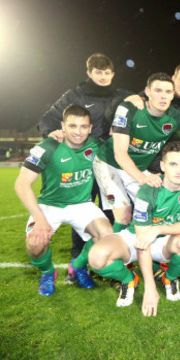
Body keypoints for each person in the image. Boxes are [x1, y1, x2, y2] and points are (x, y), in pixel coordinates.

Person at [37, 53, 131, 277]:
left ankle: (107, 259)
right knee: (81, 212)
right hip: (83, 163)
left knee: (112, 213)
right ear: (89, 73)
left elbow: (144, 105)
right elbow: (48, 119)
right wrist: (53, 133)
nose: (103, 76)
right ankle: (76, 265)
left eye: (107, 72)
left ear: (113, 74)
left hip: (109, 163)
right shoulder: (75, 95)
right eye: (98, 72)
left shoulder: (123, 96)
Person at [89, 141, 180, 316]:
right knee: (96, 257)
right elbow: (143, 243)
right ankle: (129, 279)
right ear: (163, 166)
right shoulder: (148, 192)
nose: (179, 170)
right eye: (173, 164)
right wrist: (150, 288)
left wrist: (158, 230)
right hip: (137, 238)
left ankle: (169, 278)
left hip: (165, 240)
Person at [94, 72, 180, 229]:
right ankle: (96, 252)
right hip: (108, 163)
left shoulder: (175, 117)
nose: (163, 96)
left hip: (138, 167)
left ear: (173, 95)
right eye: (158, 91)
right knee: (124, 215)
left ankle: (137, 247)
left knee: (153, 209)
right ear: (148, 91)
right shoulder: (129, 109)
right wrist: (142, 179)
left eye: (168, 92)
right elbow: (120, 154)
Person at [15, 105, 113, 295]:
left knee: (106, 236)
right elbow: (21, 184)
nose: (78, 132)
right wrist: (40, 219)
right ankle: (48, 273)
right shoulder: (47, 147)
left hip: (82, 204)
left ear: (90, 128)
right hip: (50, 206)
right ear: (62, 126)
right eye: (73, 126)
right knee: (35, 245)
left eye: (83, 127)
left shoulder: (95, 145)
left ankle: (78, 266)